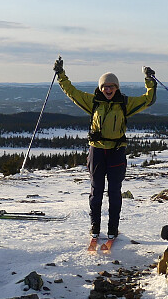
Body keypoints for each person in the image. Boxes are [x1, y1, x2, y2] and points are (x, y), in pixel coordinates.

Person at [54, 57, 156, 242]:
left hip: (116, 151)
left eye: (111, 86)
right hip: (97, 152)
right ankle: (95, 226)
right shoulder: (93, 102)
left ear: (117, 88)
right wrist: (61, 74)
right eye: (104, 87)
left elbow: (148, 100)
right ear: (100, 88)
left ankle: (113, 229)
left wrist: (149, 80)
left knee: (115, 191)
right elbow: (72, 92)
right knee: (96, 190)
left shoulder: (125, 104)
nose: (108, 89)